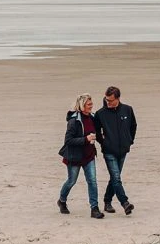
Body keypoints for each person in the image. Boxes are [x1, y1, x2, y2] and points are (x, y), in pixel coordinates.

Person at [57, 94, 104, 219]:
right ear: (82, 105)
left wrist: (104, 142)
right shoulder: (74, 121)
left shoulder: (93, 117)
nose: (91, 106)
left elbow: (98, 133)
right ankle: (62, 201)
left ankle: (94, 208)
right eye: (89, 104)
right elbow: (68, 141)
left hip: (89, 155)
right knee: (71, 181)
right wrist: (85, 139)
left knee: (92, 181)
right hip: (74, 157)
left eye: (91, 103)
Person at [94, 85, 137, 215]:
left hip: (123, 149)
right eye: (107, 100)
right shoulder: (100, 114)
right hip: (109, 151)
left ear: (118, 98)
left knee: (114, 177)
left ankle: (107, 201)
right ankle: (125, 203)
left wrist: (129, 140)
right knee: (116, 178)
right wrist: (104, 143)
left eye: (111, 100)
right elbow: (96, 132)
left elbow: (133, 126)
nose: (108, 102)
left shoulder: (127, 110)